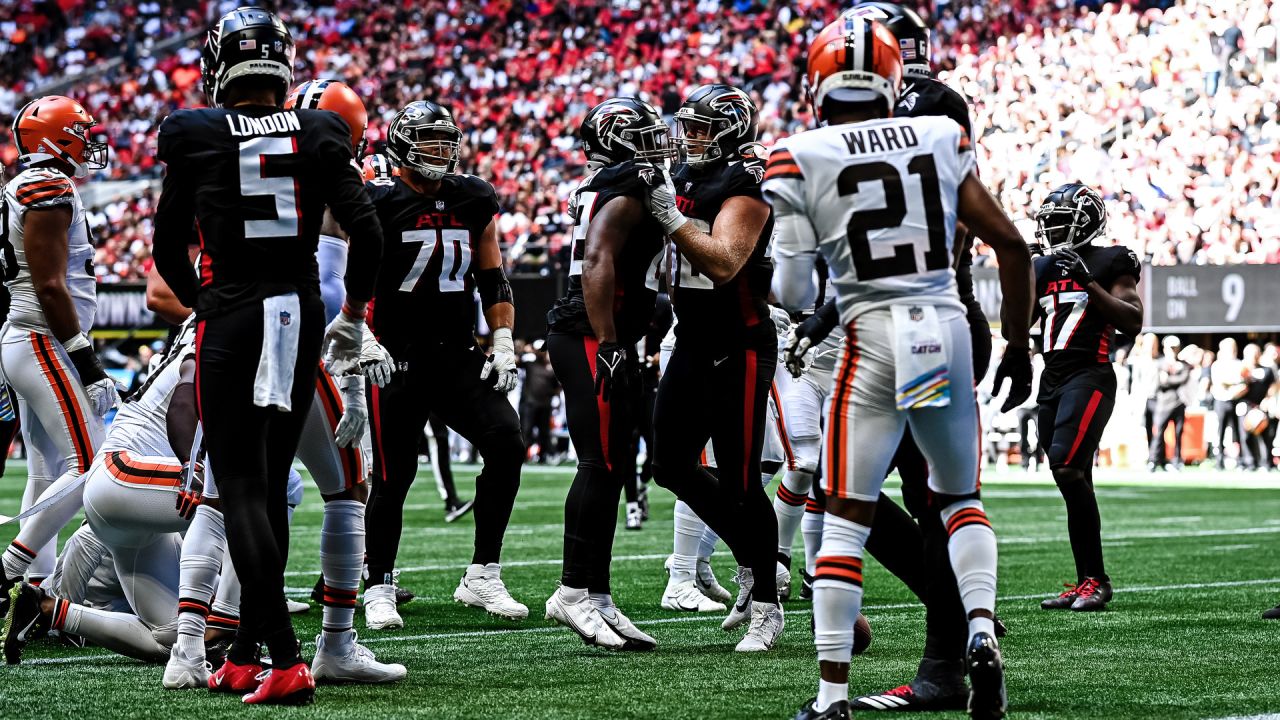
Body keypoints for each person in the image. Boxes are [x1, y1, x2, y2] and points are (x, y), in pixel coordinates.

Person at [769, 16, 1035, 720]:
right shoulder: (940, 132)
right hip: (942, 326)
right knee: (955, 499)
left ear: (817, 81)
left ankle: (832, 697)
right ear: (892, 75)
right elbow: (1008, 241)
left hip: (875, 332)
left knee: (845, 509)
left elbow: (792, 291)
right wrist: (1019, 342)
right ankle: (978, 633)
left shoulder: (798, 152)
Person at [151, 7, 385, 705]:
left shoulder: (191, 130)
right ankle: (249, 650)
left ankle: (283, 659)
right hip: (300, 308)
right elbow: (366, 231)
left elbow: (168, 246)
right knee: (269, 482)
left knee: (243, 489)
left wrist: (204, 300)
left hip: (236, 311)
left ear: (221, 65)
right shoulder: (318, 128)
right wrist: (354, 316)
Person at [360, 100, 527, 629]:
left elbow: (492, 275)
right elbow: (342, 274)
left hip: (457, 353)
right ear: (403, 147)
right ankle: (379, 582)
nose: (442, 150)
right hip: (397, 356)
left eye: (445, 139)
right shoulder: (376, 201)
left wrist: (502, 338)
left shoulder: (472, 196)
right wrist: (359, 334)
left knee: (507, 441)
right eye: (430, 140)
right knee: (394, 475)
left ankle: (483, 573)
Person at [641, 83, 785, 651]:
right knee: (671, 463)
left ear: (729, 130)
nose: (690, 137)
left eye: (702, 127)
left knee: (744, 479)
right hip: (694, 338)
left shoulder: (745, 183)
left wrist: (669, 218)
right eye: (689, 126)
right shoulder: (688, 177)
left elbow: (724, 263)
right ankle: (756, 563)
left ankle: (768, 607)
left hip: (740, 342)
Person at [544, 96, 669, 651]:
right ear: (617, 140)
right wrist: (613, 343)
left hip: (602, 331)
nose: (656, 145)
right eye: (643, 136)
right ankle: (572, 591)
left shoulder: (609, 182)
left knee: (615, 464)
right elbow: (597, 263)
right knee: (599, 463)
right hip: (592, 334)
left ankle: (597, 593)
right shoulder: (626, 187)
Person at [1, 95, 118, 612]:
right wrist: (87, 362)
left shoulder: (27, 183)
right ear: (55, 136)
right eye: (81, 130)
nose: (90, 140)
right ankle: (8, 569)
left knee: (48, 471)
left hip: (29, 339)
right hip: (40, 338)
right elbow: (50, 287)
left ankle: (32, 590)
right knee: (90, 465)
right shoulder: (46, 186)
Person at [1030, 183, 1143, 613]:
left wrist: (1088, 282)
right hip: (1051, 379)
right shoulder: (1041, 265)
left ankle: (1096, 580)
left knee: (1067, 465)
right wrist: (1020, 268)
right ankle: (1088, 580)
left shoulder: (1112, 259)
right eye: (1050, 225)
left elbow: (1132, 320)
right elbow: (1018, 320)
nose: (1054, 232)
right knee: (1071, 476)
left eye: (1062, 224)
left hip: (1091, 374)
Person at [1149, 336, 1189, 471]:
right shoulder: (1159, 363)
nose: (1172, 351)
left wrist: (1168, 378)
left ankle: (1177, 461)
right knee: (1158, 433)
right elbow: (1160, 382)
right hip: (1163, 404)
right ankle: (1154, 460)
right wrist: (1170, 379)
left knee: (1178, 434)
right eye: (1170, 348)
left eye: (1175, 348)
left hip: (1179, 403)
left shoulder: (1183, 365)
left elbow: (1182, 379)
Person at [1210, 338, 1247, 469]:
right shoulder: (1217, 365)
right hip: (1221, 401)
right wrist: (1234, 384)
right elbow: (1220, 382)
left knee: (1239, 432)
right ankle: (1219, 461)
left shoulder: (1240, 364)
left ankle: (1241, 461)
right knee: (1220, 432)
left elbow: (1243, 384)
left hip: (1236, 401)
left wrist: (1234, 387)